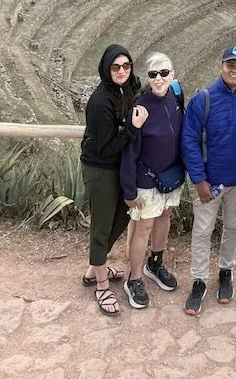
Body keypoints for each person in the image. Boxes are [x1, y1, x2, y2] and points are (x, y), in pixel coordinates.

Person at [180, 45, 236, 314]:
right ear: (221, 66)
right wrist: (198, 180)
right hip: (209, 182)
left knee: (233, 228)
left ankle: (225, 272)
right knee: (202, 231)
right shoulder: (203, 99)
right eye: (230, 65)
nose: (235, 70)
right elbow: (189, 141)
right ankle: (198, 280)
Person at [80, 44, 147, 316]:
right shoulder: (99, 102)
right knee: (102, 226)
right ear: (106, 70)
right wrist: (132, 128)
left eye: (126, 66)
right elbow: (106, 147)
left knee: (122, 217)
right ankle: (101, 285)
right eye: (115, 67)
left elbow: (143, 89)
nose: (121, 71)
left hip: (119, 167)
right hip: (100, 169)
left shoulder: (127, 89)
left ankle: (92, 269)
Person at [120, 51, 185, 310]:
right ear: (147, 77)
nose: (159, 79)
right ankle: (133, 279)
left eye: (164, 73)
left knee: (165, 217)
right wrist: (128, 189)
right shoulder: (140, 106)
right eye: (153, 74)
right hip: (145, 180)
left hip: (171, 177)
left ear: (173, 74)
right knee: (143, 228)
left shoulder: (176, 96)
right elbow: (129, 151)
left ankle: (155, 263)